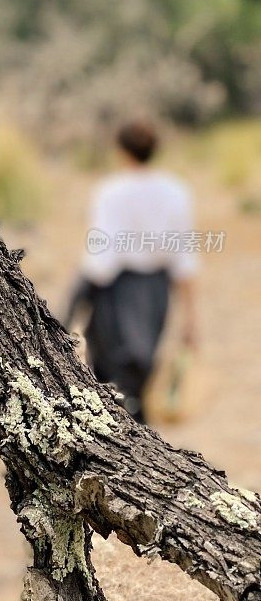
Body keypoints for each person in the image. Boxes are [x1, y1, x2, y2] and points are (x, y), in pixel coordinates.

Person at [65, 120, 198, 424]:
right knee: (141, 367)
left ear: (122, 152)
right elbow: (184, 259)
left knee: (111, 375)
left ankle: (123, 439)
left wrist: (74, 302)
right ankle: (138, 435)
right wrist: (191, 319)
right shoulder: (177, 191)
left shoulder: (111, 191)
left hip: (116, 290)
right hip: (156, 292)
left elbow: (101, 255)